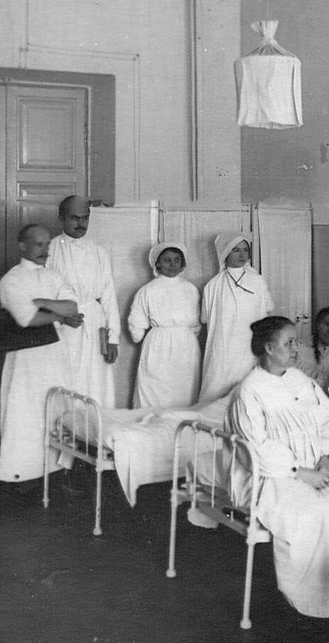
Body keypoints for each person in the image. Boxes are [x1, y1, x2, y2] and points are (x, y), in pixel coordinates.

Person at [226, 316, 329, 618]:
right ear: (269, 348)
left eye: (296, 342)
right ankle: (314, 598)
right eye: (289, 343)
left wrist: (326, 458)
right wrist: (300, 473)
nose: (296, 349)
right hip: (274, 474)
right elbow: (256, 446)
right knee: (313, 512)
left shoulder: (300, 380)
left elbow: (326, 421)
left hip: (316, 466)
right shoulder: (250, 390)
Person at [0, 225, 80, 484]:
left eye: (47, 245)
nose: (45, 250)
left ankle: (56, 468)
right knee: (26, 410)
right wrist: (59, 316)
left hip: (54, 353)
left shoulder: (53, 275)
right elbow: (26, 319)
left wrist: (44, 303)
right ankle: (22, 472)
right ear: (22, 246)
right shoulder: (11, 280)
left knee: (55, 405)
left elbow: (72, 307)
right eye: (38, 244)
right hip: (26, 358)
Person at [47, 195, 120, 408]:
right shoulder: (49, 250)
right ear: (61, 219)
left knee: (95, 383)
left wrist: (113, 338)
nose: (81, 223)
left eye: (85, 218)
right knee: (65, 382)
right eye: (74, 218)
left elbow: (108, 296)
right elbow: (41, 294)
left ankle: (94, 425)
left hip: (95, 325)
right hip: (63, 326)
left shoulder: (98, 252)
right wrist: (59, 318)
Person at [198, 233, 273, 403]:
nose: (242, 254)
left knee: (248, 387)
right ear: (225, 252)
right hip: (223, 346)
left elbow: (267, 310)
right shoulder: (213, 285)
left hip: (250, 344)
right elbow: (205, 318)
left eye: (245, 250)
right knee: (217, 386)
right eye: (236, 250)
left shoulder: (257, 281)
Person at [127, 242, 201, 409]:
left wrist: (187, 336)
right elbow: (136, 320)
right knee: (154, 388)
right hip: (158, 344)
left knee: (183, 389)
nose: (172, 264)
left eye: (177, 260)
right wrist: (137, 334)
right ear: (158, 263)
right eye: (167, 260)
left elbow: (195, 323)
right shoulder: (148, 290)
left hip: (186, 346)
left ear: (183, 263)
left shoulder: (190, 289)